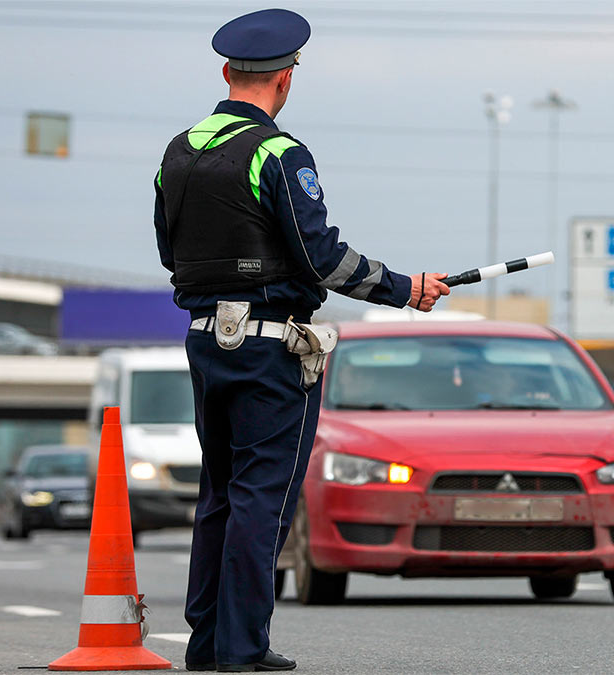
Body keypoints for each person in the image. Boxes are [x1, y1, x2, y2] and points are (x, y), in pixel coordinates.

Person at [152, 8, 450, 671]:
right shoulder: (278, 154)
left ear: (228, 72)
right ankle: (241, 646)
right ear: (285, 81)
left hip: (203, 340)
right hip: (268, 348)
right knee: (265, 493)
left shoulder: (177, 151)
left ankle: (206, 641)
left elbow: (171, 252)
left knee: (220, 491)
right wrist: (406, 287)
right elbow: (322, 258)